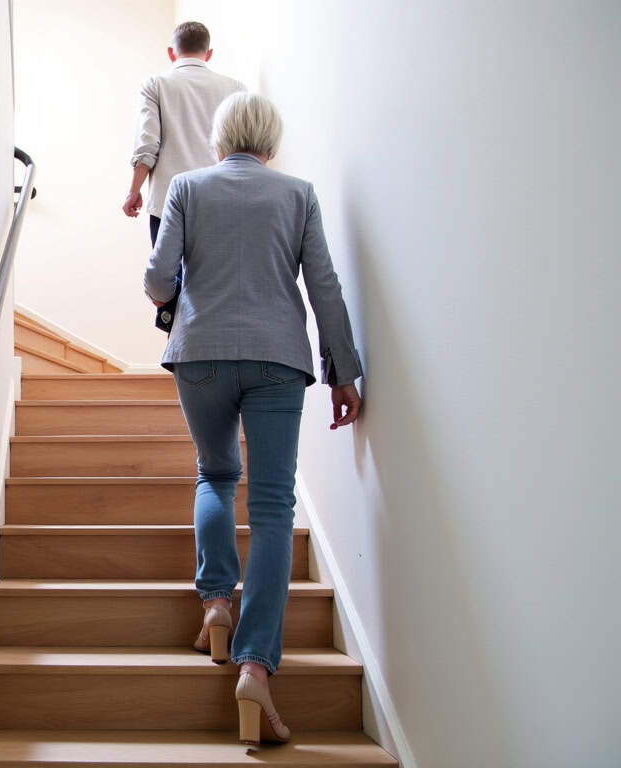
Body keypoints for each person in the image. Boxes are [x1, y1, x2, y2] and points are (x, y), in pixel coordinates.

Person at [143, 92, 364, 747]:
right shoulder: (297, 193)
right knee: (271, 511)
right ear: (270, 140)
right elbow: (323, 285)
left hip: (200, 355)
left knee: (214, 475)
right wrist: (343, 371)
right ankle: (255, 666)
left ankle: (216, 600)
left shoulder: (185, 187)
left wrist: (183, 287)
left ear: (217, 138)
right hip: (277, 360)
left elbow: (158, 281)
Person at [123, 21, 245, 248]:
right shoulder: (236, 89)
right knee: (213, 280)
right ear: (208, 54)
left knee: (167, 280)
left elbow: (147, 145)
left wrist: (133, 191)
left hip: (168, 203)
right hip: (218, 200)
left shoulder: (155, 85)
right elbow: (242, 150)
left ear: (171, 53)